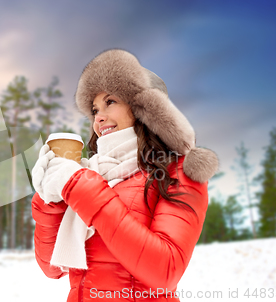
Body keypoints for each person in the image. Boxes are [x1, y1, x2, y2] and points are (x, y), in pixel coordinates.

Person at [31, 48, 219, 302]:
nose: (99, 118)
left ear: (144, 108)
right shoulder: (93, 172)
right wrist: (51, 196)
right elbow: (51, 268)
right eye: (94, 110)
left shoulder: (177, 172)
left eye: (110, 102)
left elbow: (166, 270)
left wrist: (78, 185)